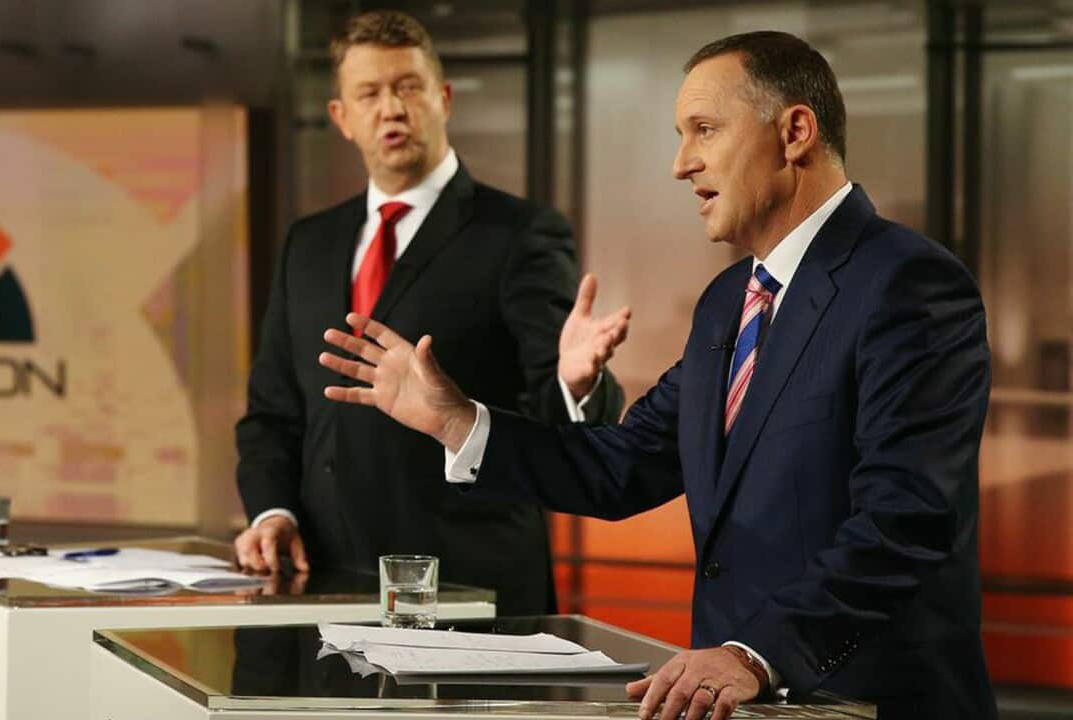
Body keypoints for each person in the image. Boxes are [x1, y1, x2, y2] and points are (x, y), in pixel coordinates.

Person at [318, 30, 996, 720]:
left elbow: (905, 521)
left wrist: (753, 654)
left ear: (795, 132)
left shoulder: (909, 285)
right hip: (734, 705)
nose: (681, 164)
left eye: (705, 129)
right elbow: (623, 464)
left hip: (868, 703)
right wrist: (457, 422)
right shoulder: (728, 301)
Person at [234, 10, 627, 617]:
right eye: (369, 93)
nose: (391, 108)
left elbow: (553, 417)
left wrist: (577, 383)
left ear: (443, 98)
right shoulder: (307, 243)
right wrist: (272, 513)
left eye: (408, 87)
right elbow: (272, 411)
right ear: (341, 117)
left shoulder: (520, 235)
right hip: (321, 581)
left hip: (468, 584)